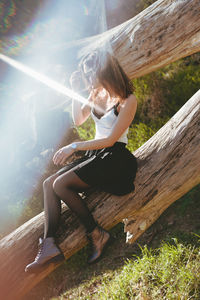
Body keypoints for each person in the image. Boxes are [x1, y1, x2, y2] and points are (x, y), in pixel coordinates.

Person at [25, 50, 138, 273]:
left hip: (115, 157)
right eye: (86, 74)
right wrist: (77, 90)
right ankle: (48, 245)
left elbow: (111, 139)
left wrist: (74, 146)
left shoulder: (127, 100)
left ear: (104, 71)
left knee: (60, 184)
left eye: (91, 73)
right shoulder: (96, 94)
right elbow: (79, 119)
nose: (88, 78)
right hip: (97, 155)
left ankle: (97, 234)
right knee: (49, 184)